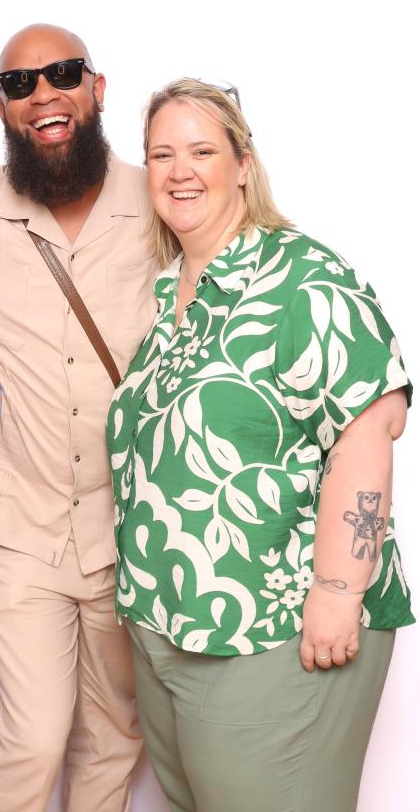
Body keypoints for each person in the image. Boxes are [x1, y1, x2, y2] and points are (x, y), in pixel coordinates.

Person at [106, 78, 413, 812]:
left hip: (273, 628)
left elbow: (370, 428)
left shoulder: (301, 277)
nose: (179, 171)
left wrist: (338, 592)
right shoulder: (168, 294)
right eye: (161, 155)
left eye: (202, 151)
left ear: (243, 164)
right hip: (168, 626)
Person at [0, 24, 157, 811]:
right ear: (0, 110)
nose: (43, 94)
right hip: (19, 532)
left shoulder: (159, 198)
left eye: (62, 73)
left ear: (96, 88)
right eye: (19, 83)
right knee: (31, 737)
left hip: (131, 531)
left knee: (116, 735)